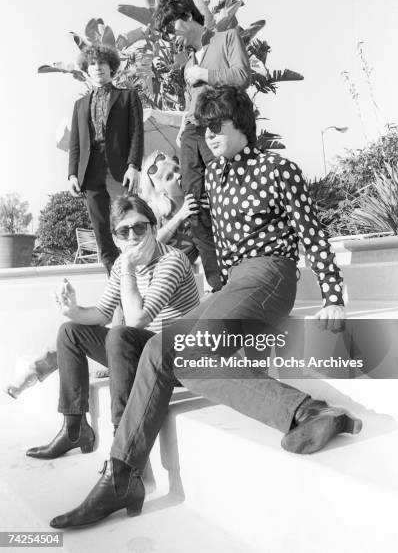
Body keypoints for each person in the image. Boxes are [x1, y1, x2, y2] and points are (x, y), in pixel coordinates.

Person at [48, 86, 362, 530]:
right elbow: (208, 241)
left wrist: (333, 297)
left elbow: (312, 234)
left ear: (242, 125)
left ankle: (303, 411)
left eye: (217, 126)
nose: (209, 135)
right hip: (234, 283)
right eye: (204, 128)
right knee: (163, 348)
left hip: (271, 275)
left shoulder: (278, 169)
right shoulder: (213, 177)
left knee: (180, 347)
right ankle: (122, 477)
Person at [26, 195, 200, 462]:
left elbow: (136, 320)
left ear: (153, 229)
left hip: (175, 359)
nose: (133, 236)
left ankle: (122, 443)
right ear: (116, 239)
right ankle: (74, 430)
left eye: (140, 227)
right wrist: (72, 309)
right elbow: (102, 313)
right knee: (69, 331)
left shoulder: (171, 261)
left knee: (120, 334)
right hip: (142, 354)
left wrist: (129, 268)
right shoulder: (122, 264)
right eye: (123, 231)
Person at [153, 0, 251, 292]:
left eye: (171, 27)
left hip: (218, 129)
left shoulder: (227, 38)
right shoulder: (188, 60)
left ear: (185, 17)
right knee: (195, 210)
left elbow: (242, 75)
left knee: (228, 199)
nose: (170, 35)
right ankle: (217, 285)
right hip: (191, 135)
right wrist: (183, 127)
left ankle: (242, 278)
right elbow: (191, 101)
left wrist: (203, 73)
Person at [68, 43, 144, 274]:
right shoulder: (79, 105)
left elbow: (137, 134)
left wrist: (133, 166)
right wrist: (72, 173)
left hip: (119, 168)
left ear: (111, 67)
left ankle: (139, 273)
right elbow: (75, 143)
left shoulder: (128, 97)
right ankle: (115, 280)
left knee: (128, 220)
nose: (97, 67)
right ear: (86, 70)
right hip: (90, 171)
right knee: (101, 229)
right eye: (92, 64)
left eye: (101, 63)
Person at [140, 150, 202, 265]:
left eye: (176, 169)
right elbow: (149, 245)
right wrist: (180, 216)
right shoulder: (155, 210)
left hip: (190, 271)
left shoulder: (194, 197)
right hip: (162, 273)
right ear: (160, 188)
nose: (178, 176)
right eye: (169, 177)